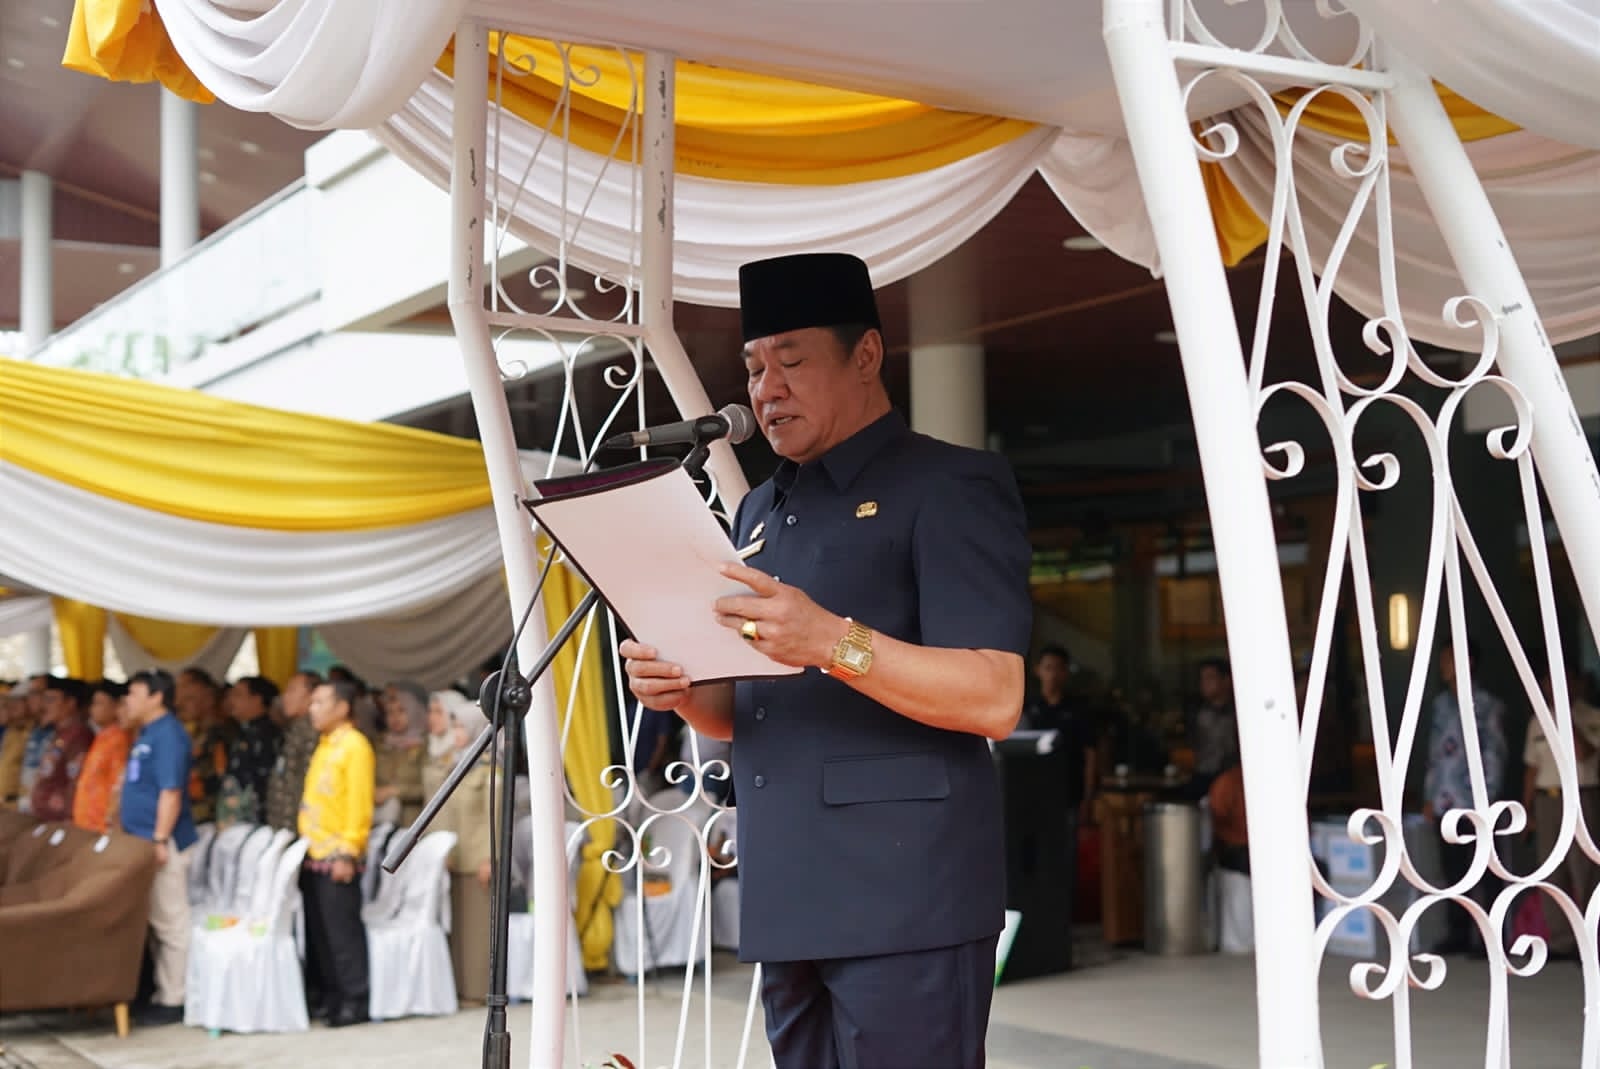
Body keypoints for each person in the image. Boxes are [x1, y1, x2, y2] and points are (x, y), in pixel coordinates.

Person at [620, 252, 1031, 1068]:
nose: (766, 388)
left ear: (866, 355)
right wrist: (681, 689)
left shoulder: (949, 484)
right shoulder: (759, 510)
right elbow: (749, 710)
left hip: (907, 902)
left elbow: (995, 695)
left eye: (792, 361)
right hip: (788, 895)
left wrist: (830, 641)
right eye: (753, 367)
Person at [120, 669, 198, 1026]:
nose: (128, 701)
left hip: (163, 842)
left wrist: (160, 838)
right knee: (155, 920)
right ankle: (160, 992)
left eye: (134, 694)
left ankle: (174, 998)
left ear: (156, 697)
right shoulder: (147, 732)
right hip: (142, 841)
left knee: (171, 920)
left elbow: (171, 792)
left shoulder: (169, 735)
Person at [298, 678, 376, 1027]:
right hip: (314, 852)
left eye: (320, 702)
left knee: (343, 933)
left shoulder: (354, 746)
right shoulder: (325, 744)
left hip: (337, 855)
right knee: (322, 934)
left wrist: (348, 851)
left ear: (342, 708)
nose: (312, 709)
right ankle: (332, 998)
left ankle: (355, 1000)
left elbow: (359, 804)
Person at [1423, 637, 1507, 956]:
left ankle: (1489, 936)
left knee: (1485, 869)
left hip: (1476, 801)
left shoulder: (1487, 705)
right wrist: (1430, 794)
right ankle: (1458, 932)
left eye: (1449, 659)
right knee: (1453, 870)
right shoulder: (1440, 705)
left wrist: (1488, 796)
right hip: (1446, 801)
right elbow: (1434, 753)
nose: (1443, 666)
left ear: (1468, 662)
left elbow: (1495, 752)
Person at [1521, 657, 1600, 958]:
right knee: (1551, 870)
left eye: (1563, 681)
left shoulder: (1591, 716)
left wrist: (1566, 719)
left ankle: (1590, 939)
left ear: (1576, 684)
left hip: (1581, 797)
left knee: (1585, 870)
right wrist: (1527, 810)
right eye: (1550, 682)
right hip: (1547, 800)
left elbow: (1584, 754)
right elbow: (1531, 768)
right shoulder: (1537, 720)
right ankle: (1561, 941)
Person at [1020, 644, 1098, 824]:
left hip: (1069, 793)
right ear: (1038, 670)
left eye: (1058, 668)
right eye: (1048, 668)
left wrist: (1088, 797)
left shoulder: (1078, 710)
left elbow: (1090, 754)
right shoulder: (1027, 708)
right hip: (1033, 793)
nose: (1053, 675)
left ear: (1065, 672)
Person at [215, 675, 282, 826]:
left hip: (253, 820)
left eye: (238, 695)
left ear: (257, 700)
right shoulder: (242, 731)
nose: (231, 700)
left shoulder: (266, 735)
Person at [29, 677, 95, 822]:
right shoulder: (60, 733)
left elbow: (76, 781)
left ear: (70, 703)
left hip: (60, 821)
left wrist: (68, 816)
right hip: (44, 817)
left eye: (51, 700)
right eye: (45, 699)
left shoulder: (79, 736)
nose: (45, 706)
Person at [72, 680, 134, 834]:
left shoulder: (119, 739)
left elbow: (117, 786)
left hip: (100, 827)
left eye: (99, 703)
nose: (93, 708)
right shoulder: (103, 736)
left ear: (116, 706)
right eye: (93, 703)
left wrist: (110, 823)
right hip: (86, 824)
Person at [265, 671, 322, 832]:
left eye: (292, 690)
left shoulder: (312, 731)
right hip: (285, 824)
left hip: (300, 826)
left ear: (311, 695)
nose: (285, 697)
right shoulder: (296, 728)